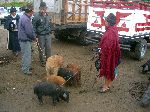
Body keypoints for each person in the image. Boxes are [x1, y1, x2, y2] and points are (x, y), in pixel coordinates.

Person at [98, 13, 121, 93]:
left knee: (108, 69)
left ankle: (106, 87)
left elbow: (108, 47)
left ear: (108, 22)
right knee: (111, 69)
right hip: (113, 55)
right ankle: (108, 85)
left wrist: (100, 51)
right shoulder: (113, 29)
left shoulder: (110, 33)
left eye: (106, 21)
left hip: (109, 56)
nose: (104, 22)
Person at [18, 4, 36, 75]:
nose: (33, 13)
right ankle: (25, 70)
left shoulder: (23, 17)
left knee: (25, 54)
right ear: (30, 11)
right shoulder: (26, 19)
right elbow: (29, 32)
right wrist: (34, 37)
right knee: (27, 55)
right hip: (25, 40)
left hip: (23, 39)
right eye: (32, 11)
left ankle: (26, 66)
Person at [32, 2, 52, 67]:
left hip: (48, 35)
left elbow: (50, 24)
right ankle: (42, 61)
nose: (43, 10)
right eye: (41, 8)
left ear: (46, 8)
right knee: (41, 49)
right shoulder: (36, 17)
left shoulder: (48, 16)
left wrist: (50, 30)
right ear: (39, 9)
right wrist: (35, 36)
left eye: (44, 8)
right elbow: (33, 27)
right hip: (40, 35)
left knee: (48, 48)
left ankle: (48, 61)